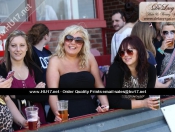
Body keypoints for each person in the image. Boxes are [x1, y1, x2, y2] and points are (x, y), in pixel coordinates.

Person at [46, 25, 109, 122]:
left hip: (89, 112)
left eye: (78, 40)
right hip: (65, 114)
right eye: (69, 38)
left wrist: (105, 106)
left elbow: (99, 86)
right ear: (63, 41)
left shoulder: (89, 58)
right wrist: (58, 114)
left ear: (83, 44)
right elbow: (52, 94)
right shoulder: (55, 61)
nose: (73, 43)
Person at [0, 30, 48, 125]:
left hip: (39, 122)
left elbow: (44, 96)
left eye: (22, 45)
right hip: (14, 124)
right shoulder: (2, 69)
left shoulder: (34, 68)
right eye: (13, 45)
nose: (18, 49)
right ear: (8, 48)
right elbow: (5, 99)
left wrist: (16, 95)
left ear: (27, 48)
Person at [106, 36, 157, 110]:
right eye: (122, 52)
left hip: (141, 111)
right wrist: (142, 103)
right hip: (118, 114)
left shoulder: (150, 69)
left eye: (129, 51)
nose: (126, 55)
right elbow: (114, 101)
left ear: (139, 51)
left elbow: (147, 96)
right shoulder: (116, 69)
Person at [131, 21, 171, 88]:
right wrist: (167, 84)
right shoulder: (148, 55)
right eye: (151, 38)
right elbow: (155, 85)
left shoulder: (127, 53)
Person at [155, 22, 175, 88]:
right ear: (161, 33)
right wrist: (161, 50)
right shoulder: (155, 47)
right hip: (163, 89)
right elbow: (154, 70)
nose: (169, 35)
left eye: (172, 32)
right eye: (166, 32)